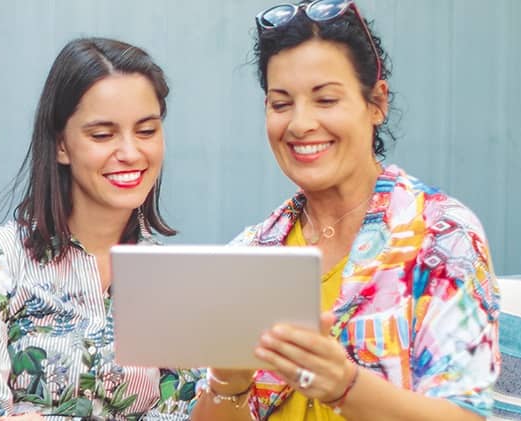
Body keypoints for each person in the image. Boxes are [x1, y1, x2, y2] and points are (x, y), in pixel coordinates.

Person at [189, 1, 501, 420]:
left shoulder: (441, 236)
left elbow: (467, 416)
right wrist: (228, 382)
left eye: (326, 100)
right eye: (281, 104)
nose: (300, 124)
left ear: (377, 102)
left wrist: (346, 387)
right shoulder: (251, 252)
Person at [0, 37, 197, 420]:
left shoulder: (173, 280)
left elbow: (184, 409)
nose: (130, 152)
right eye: (102, 135)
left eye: (146, 131)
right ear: (62, 145)